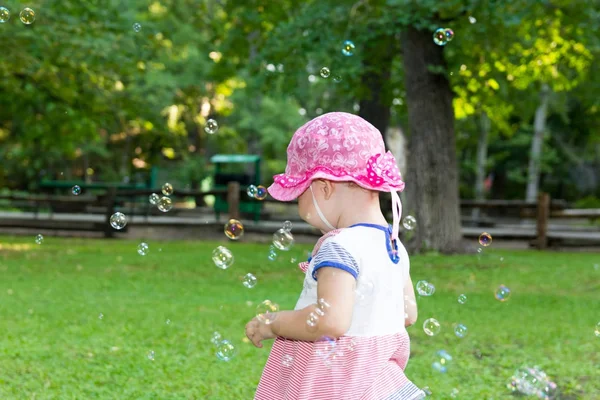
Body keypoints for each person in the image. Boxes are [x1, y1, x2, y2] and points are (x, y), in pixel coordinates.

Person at [245, 112, 422, 400]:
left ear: (323, 187)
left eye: (300, 194)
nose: (300, 208)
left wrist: (273, 323)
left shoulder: (340, 247)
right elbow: (408, 314)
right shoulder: (393, 245)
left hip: (336, 385)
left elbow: (330, 322)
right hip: (381, 385)